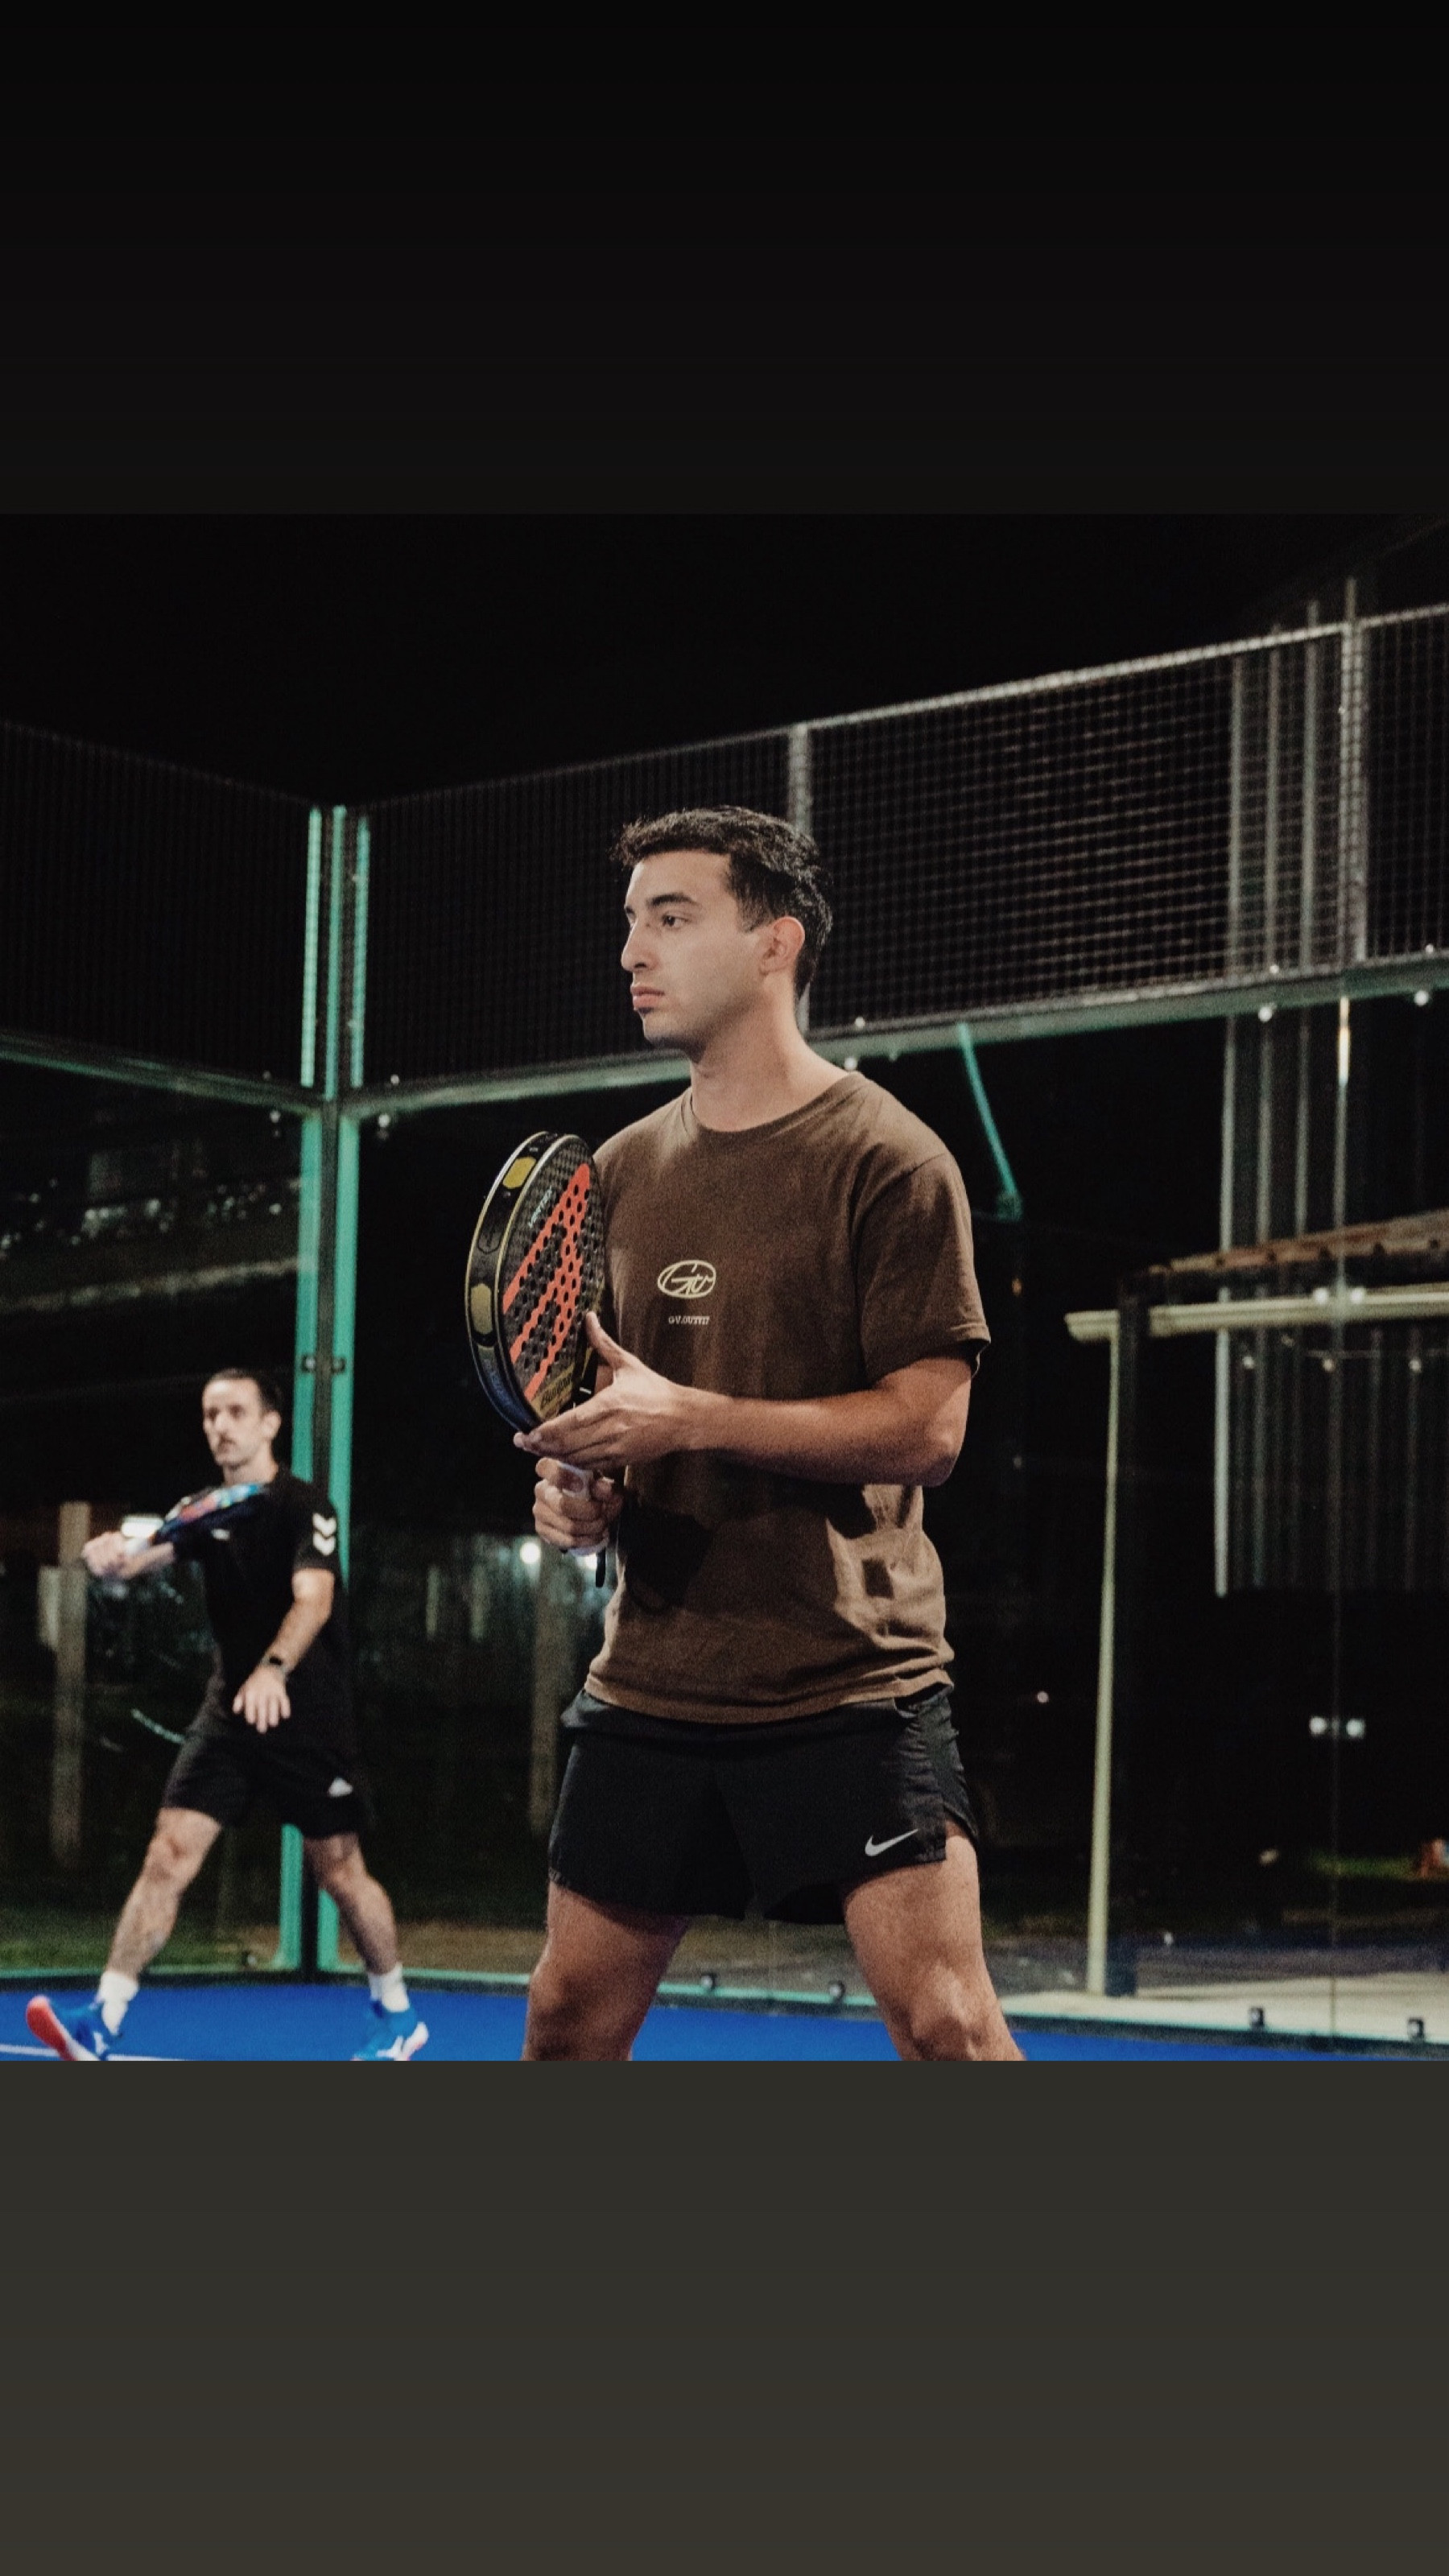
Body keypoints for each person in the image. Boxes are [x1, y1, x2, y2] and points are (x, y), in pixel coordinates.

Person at [518, 805, 1022, 2062]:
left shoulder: (891, 1160)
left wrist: (693, 1417)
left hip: (849, 1679)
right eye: (629, 922)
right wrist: (579, 1492)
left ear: (773, 943)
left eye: (671, 917)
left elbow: (928, 1429)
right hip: (652, 1680)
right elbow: (608, 1418)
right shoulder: (617, 1172)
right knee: (565, 2021)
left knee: (948, 2027)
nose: (633, 951)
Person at [27, 1367, 427, 2063]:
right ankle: (102, 2019)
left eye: (236, 1411)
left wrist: (274, 1669)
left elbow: (313, 1600)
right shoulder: (203, 1509)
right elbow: (139, 1559)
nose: (220, 1425)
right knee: (167, 1855)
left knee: (339, 1872)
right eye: (211, 1414)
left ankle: (397, 2014)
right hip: (229, 1716)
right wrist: (108, 1557)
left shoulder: (305, 1507)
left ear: (270, 1423)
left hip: (307, 1715)